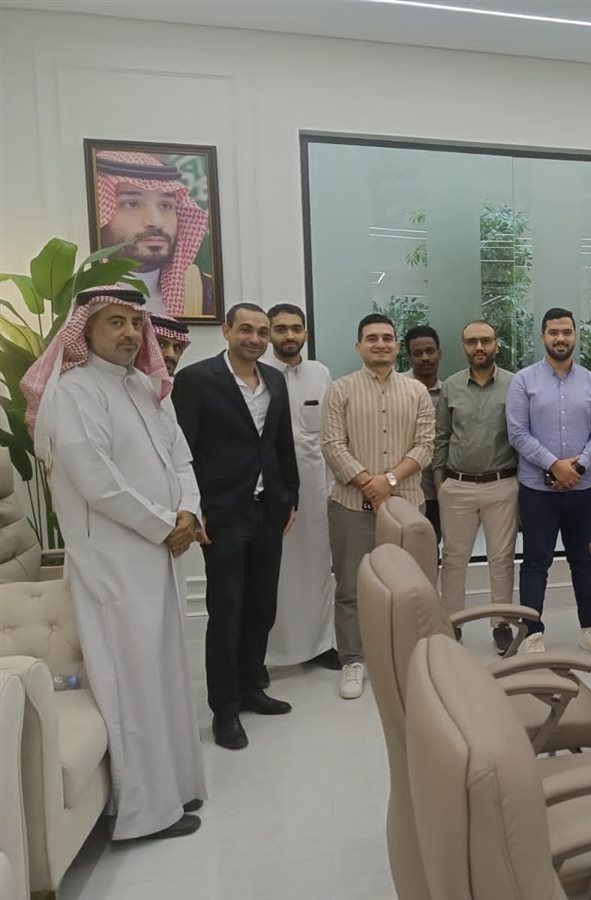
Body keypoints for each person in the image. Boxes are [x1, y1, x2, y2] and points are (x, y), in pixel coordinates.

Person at [19, 286, 206, 840]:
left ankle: (176, 787)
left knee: (166, 672)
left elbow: (181, 457)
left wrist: (188, 512)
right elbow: (98, 482)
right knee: (132, 679)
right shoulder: (74, 393)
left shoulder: (148, 388)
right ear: (86, 330)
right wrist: (165, 524)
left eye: (133, 322)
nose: (128, 333)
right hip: (115, 563)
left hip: (161, 554)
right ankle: (144, 812)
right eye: (114, 322)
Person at [172, 303, 300, 751]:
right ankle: (224, 710)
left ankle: (250, 688)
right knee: (226, 612)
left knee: (261, 607)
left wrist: (291, 496)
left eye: (262, 332)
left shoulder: (275, 380)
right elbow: (182, 451)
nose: (255, 338)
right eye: (246, 329)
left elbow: (281, 442)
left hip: (268, 509)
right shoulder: (195, 380)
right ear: (226, 330)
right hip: (222, 512)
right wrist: (194, 509)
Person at [322, 314, 434, 699]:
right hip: (350, 507)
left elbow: (425, 446)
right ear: (359, 346)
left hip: (406, 508)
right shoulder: (339, 390)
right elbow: (332, 445)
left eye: (387, 338)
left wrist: (387, 481)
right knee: (351, 587)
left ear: (397, 346)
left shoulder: (417, 392)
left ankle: (409, 658)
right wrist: (368, 484)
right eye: (372, 338)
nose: (381, 344)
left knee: (409, 587)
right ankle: (353, 660)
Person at [506, 308, 591, 657]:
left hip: (582, 488)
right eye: (554, 332)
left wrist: (577, 467)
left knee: (584, 560)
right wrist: (554, 465)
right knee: (536, 562)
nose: (561, 338)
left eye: (566, 332)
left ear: (575, 335)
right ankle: (532, 633)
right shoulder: (524, 381)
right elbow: (518, 433)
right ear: (543, 337)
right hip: (538, 490)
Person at [433, 320, 520, 655]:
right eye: (472, 342)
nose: (479, 347)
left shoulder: (514, 385)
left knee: (502, 559)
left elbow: (522, 435)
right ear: (463, 347)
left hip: (502, 484)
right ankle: (452, 623)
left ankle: (502, 624)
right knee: (454, 559)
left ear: (497, 344)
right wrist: (440, 482)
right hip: (457, 485)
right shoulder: (451, 387)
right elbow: (441, 436)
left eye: (485, 341)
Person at [262, 303, 338, 672]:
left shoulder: (320, 374)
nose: (289, 336)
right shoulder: (258, 375)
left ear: (305, 333)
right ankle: (268, 654)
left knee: (317, 569)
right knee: (272, 574)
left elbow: (330, 434)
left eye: (296, 328)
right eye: (281, 329)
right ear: (269, 334)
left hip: (315, 490)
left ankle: (321, 644)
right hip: (269, 491)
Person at [94, 150, 214, 317]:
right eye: (132, 204)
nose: (155, 221)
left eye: (165, 205)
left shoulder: (206, 291)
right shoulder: (80, 291)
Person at [402, 325, 444, 541]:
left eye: (430, 351)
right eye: (417, 353)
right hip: (403, 489)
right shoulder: (397, 390)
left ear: (439, 353)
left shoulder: (449, 393)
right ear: (409, 357)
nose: (425, 358)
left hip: (437, 491)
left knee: (430, 548)